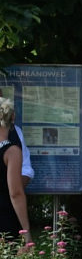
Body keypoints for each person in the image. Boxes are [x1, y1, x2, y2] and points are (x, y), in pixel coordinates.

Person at [0, 97, 32, 244]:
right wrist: (26, 232)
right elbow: (16, 193)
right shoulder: (11, 151)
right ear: (12, 117)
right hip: (5, 218)